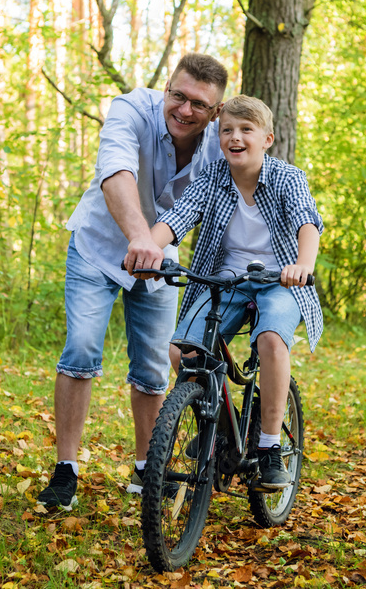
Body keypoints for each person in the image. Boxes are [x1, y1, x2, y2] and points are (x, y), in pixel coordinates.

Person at [35, 54, 229, 511]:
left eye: (198, 104)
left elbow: (234, 197)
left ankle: (147, 470)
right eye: (177, 95)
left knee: (151, 367)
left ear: (216, 111)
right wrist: (142, 237)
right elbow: (116, 172)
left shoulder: (221, 141)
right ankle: (66, 471)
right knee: (81, 347)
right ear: (166, 88)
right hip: (100, 248)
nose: (183, 109)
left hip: (159, 262)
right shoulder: (130, 109)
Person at [132, 95, 323, 490]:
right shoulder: (213, 177)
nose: (234, 137)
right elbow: (178, 216)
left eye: (245, 130)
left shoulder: (288, 178)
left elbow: (307, 221)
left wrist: (303, 264)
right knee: (182, 349)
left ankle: (269, 447)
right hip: (225, 280)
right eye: (226, 131)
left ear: (267, 138)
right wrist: (149, 247)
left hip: (280, 281)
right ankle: (217, 425)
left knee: (271, 341)